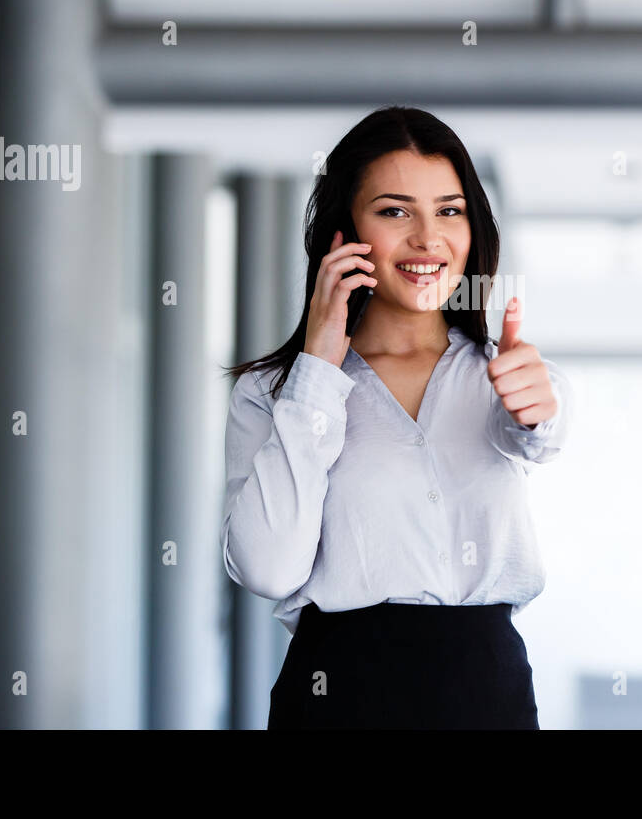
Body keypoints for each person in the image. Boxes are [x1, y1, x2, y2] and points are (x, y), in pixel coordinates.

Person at [221, 105, 572, 729]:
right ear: (342, 231)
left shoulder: (508, 378)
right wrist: (318, 372)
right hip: (337, 696)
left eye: (449, 210)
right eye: (394, 211)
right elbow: (268, 569)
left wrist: (539, 414)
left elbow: (537, 433)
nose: (427, 238)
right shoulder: (273, 393)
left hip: (486, 693)